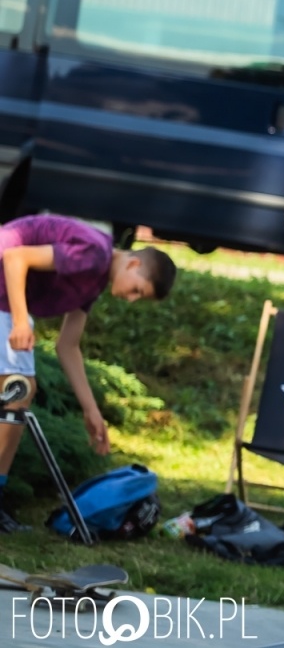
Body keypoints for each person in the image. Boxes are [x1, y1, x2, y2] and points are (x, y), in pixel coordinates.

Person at [0, 215, 176, 532]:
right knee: (18, 388)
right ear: (133, 264)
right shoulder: (94, 254)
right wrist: (21, 322)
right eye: (137, 290)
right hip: (3, 288)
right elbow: (15, 257)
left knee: (19, 392)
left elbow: (68, 346)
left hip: (6, 298)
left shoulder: (95, 280)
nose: (131, 299)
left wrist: (91, 411)